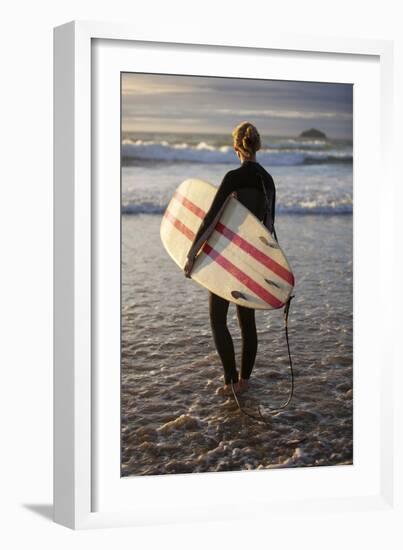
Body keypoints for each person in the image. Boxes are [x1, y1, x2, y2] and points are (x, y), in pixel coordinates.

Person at [184, 122, 277, 396]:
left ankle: (229, 380)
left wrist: (192, 254)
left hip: (227, 259)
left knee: (217, 319)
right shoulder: (268, 180)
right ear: (256, 146)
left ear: (236, 147)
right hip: (252, 260)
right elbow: (268, 229)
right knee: (247, 322)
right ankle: (245, 382)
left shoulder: (232, 178)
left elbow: (211, 219)